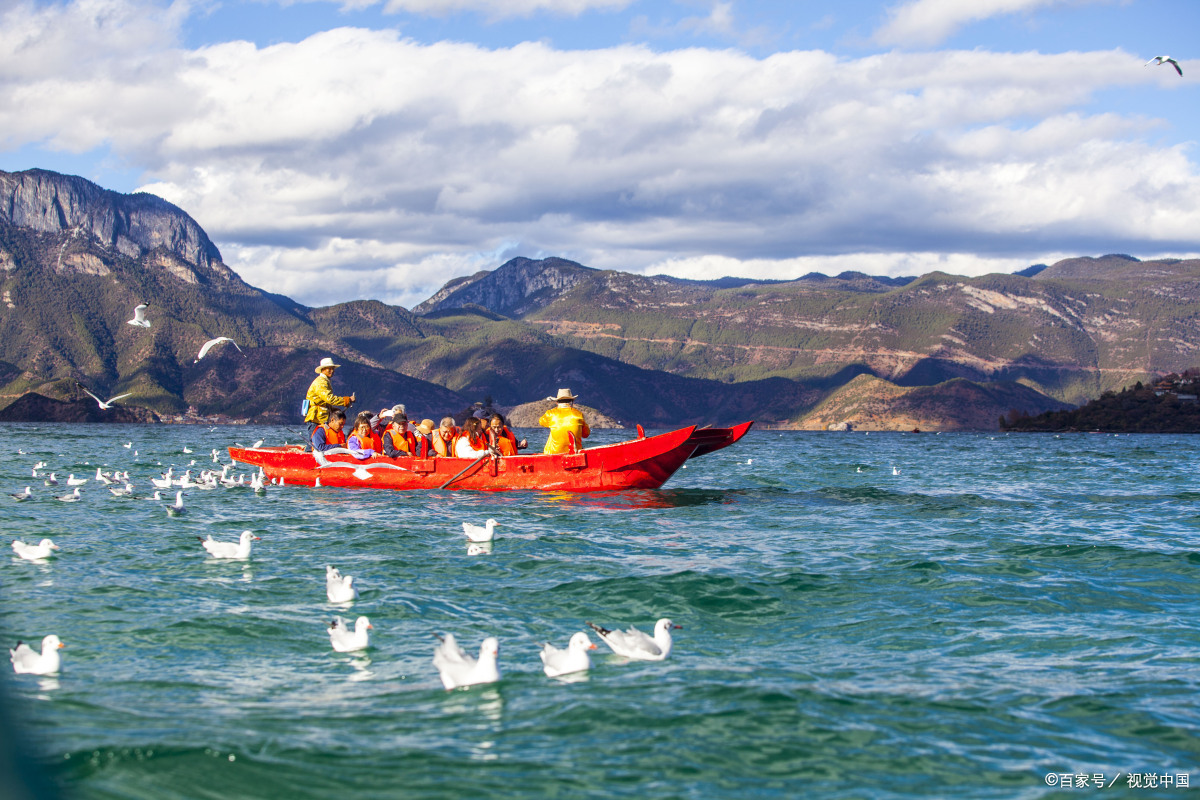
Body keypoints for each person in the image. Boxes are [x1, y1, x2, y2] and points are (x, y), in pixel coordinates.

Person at [304, 357, 355, 438]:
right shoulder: (321, 382)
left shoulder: (324, 381)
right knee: (314, 441)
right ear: (323, 369)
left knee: (321, 440)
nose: (332, 371)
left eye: (333, 369)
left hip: (321, 418)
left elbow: (324, 402)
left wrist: (333, 410)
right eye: (329, 369)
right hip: (316, 419)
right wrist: (347, 400)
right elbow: (329, 398)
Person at [538, 388, 590, 455]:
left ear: (557, 402)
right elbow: (586, 434)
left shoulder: (550, 414)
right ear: (572, 401)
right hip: (576, 453)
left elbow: (541, 422)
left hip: (553, 454)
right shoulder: (579, 414)